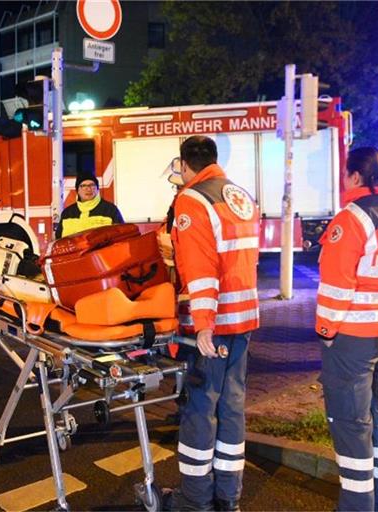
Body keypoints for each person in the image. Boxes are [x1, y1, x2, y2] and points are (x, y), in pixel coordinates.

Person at [163, 136, 260, 512]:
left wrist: (203, 324)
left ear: (185, 165)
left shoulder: (192, 199)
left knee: (201, 408)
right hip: (243, 318)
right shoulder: (239, 194)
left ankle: (194, 500)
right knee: (232, 406)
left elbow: (202, 270)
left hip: (214, 323)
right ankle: (227, 496)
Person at [315, 147, 378, 512]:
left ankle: (358, 506)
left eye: (346, 174)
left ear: (355, 177)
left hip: (355, 339)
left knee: (350, 424)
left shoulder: (353, 217)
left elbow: (336, 285)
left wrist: (326, 331)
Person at [55, 172, 124, 238]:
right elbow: (59, 239)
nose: (88, 189)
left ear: (97, 188)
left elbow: (121, 236)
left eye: (92, 185)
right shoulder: (67, 213)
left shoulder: (110, 210)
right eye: (83, 186)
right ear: (77, 190)